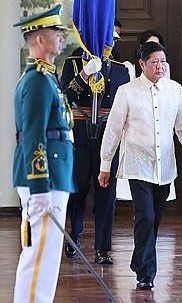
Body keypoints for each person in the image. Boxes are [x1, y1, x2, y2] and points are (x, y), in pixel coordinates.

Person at [98, 42, 182, 290]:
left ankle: (139, 258)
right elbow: (113, 130)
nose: (160, 66)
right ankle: (146, 273)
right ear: (142, 64)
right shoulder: (127, 91)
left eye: (163, 61)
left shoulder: (174, 89)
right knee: (145, 216)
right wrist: (105, 164)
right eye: (154, 61)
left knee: (155, 218)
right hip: (137, 162)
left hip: (164, 165)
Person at [12, 5, 74, 302]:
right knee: (40, 256)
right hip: (44, 178)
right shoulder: (37, 80)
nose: (62, 36)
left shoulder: (47, 77)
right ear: (38, 39)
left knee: (45, 257)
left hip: (53, 176)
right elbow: (34, 135)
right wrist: (40, 187)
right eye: (55, 31)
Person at [60, 30, 130, 264]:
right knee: (77, 189)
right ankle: (75, 234)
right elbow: (66, 94)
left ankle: (102, 247)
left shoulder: (121, 70)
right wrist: (83, 74)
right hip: (80, 135)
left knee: (106, 193)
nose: (108, 46)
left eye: (111, 42)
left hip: (108, 137)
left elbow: (124, 105)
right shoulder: (72, 63)